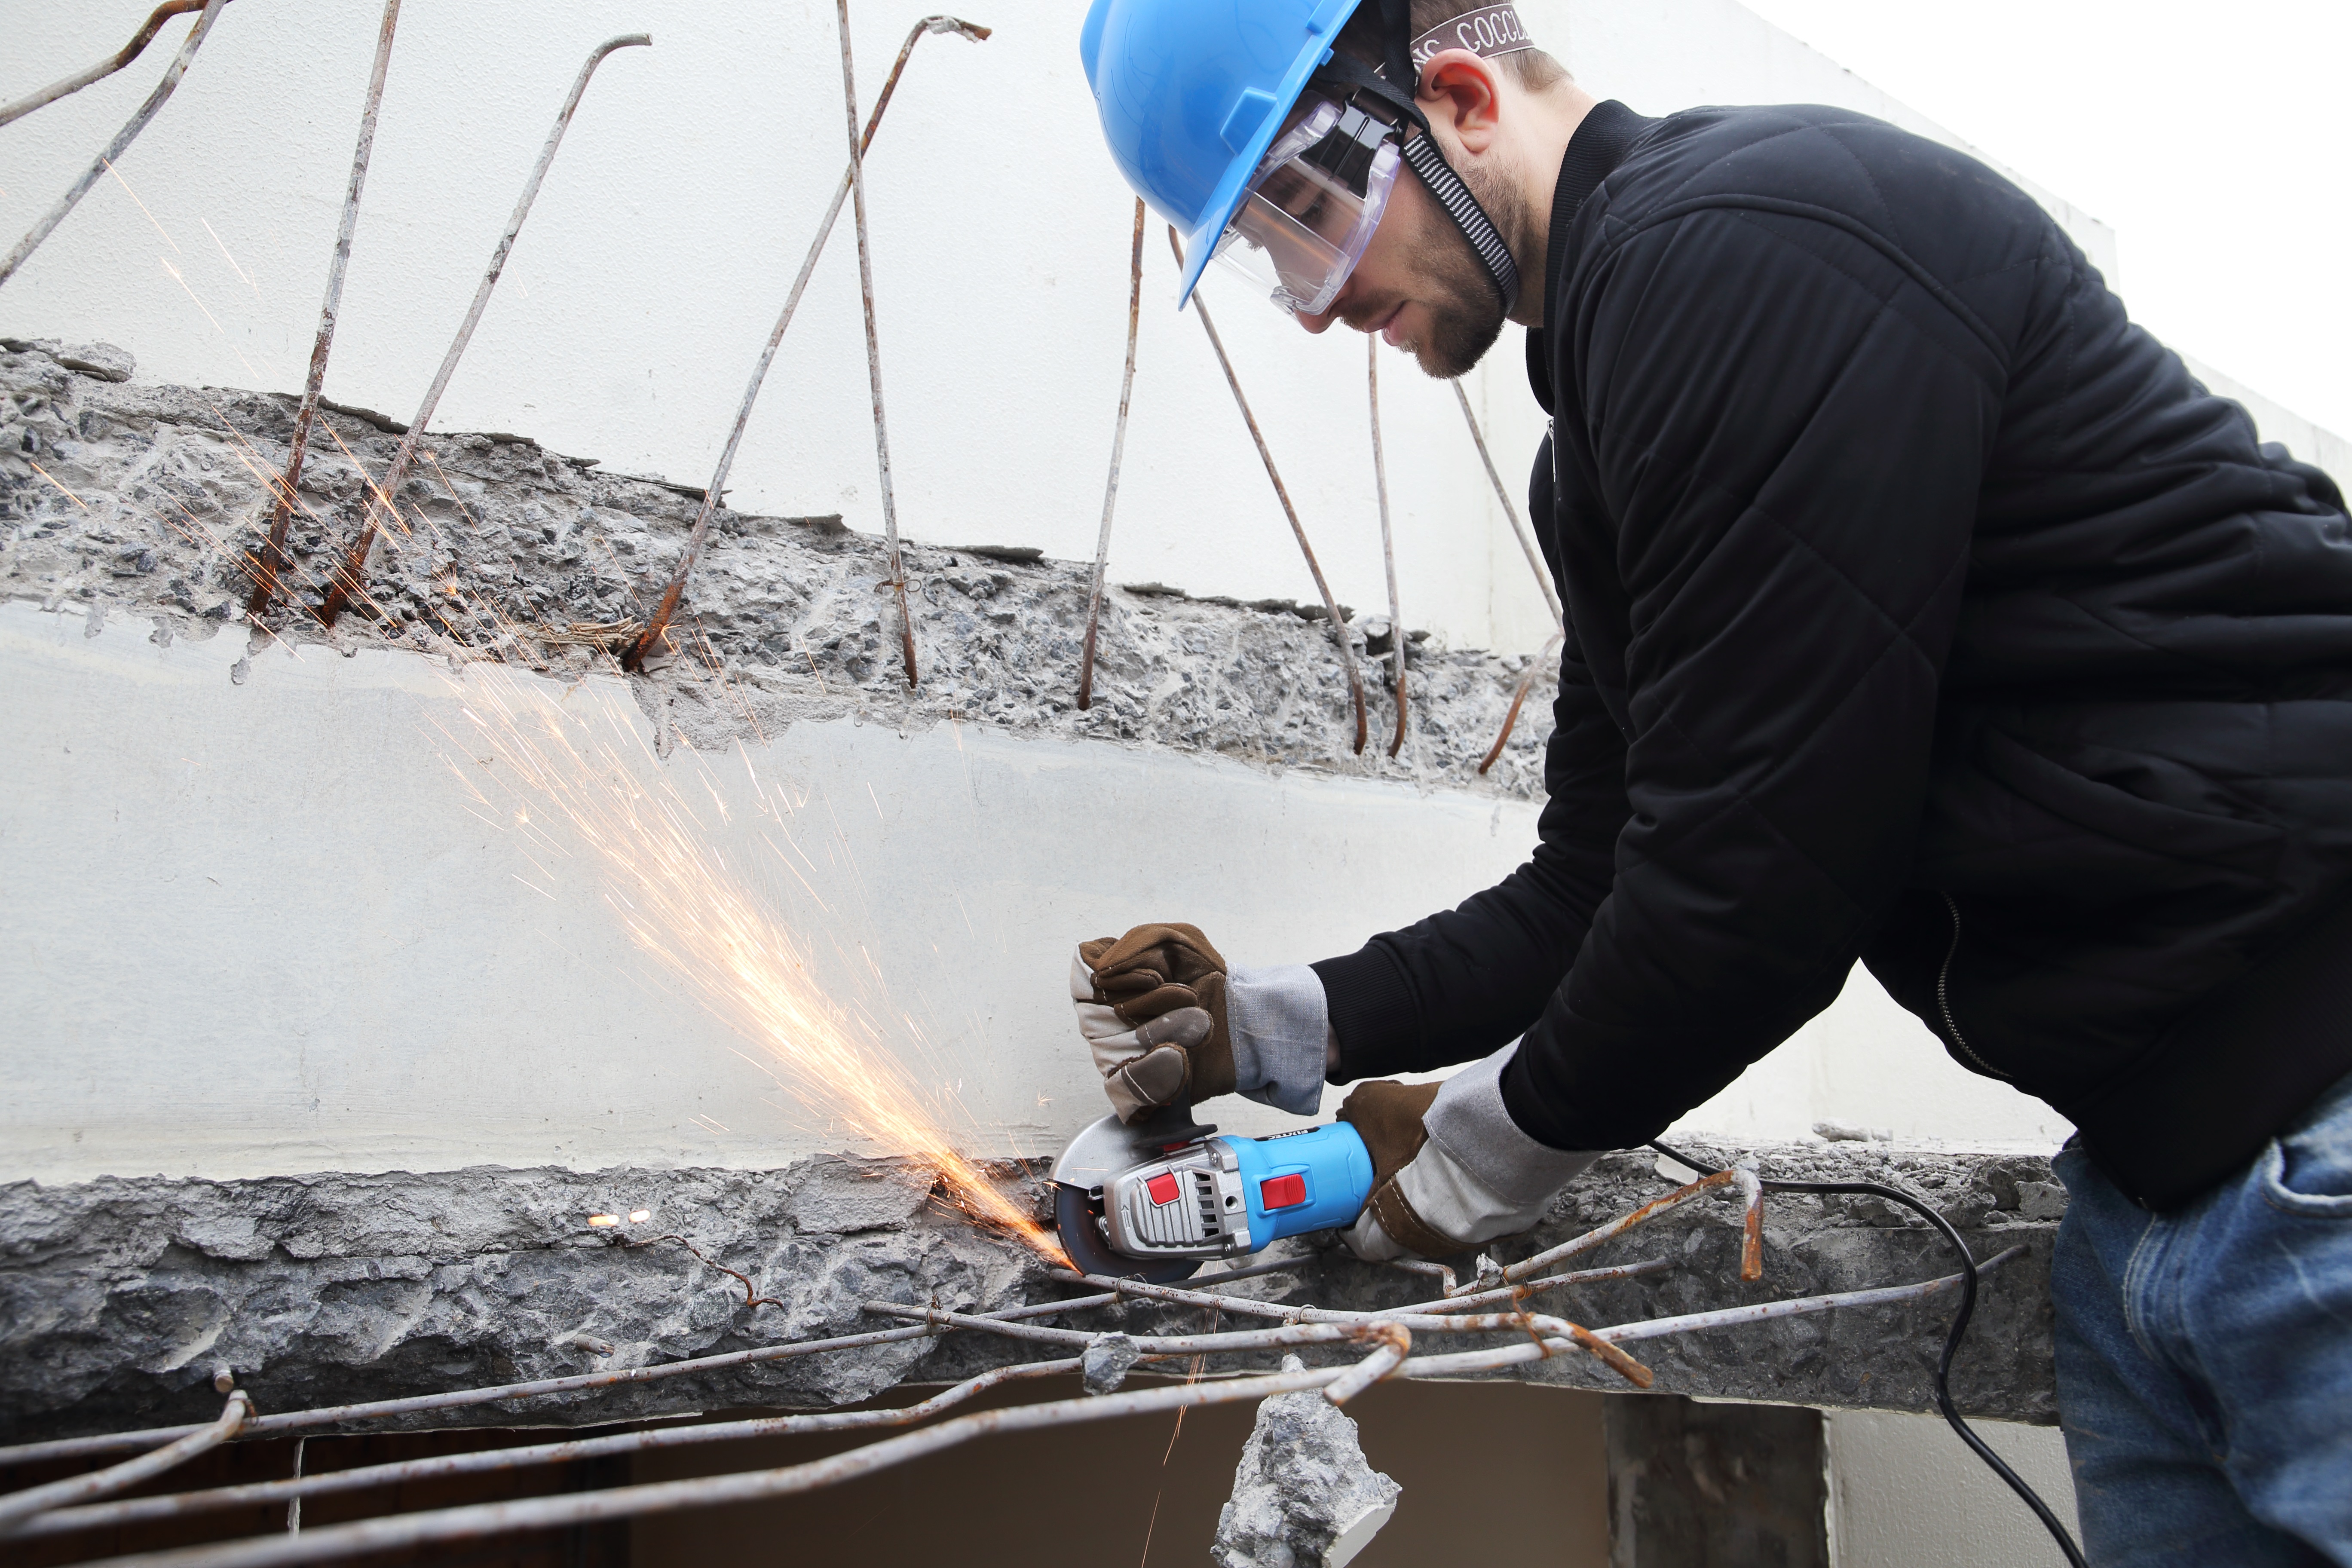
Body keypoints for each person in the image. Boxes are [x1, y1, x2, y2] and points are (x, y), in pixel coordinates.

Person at [1066, 1, 2352, 1562]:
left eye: (1311, 214)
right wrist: (1284, 1024)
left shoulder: (1752, 248)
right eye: (1271, 258)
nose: (1317, 303)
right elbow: (1599, 880)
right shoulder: (1607, 420)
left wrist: (1475, 1158)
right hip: (2159, 1198)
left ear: (1459, 97)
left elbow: (1758, 880)